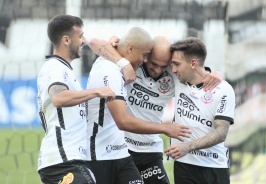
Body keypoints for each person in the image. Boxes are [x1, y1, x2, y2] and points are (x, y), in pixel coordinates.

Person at [87, 35, 222, 184]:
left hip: (151, 150)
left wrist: (216, 74)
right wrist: (124, 63)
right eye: (153, 63)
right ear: (146, 55)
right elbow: (94, 42)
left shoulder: (175, 74)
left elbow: (199, 73)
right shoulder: (133, 63)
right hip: (122, 148)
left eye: (164, 66)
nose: (157, 70)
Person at [36, 14, 117, 184]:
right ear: (66, 40)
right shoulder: (55, 67)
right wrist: (97, 92)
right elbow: (58, 98)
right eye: (80, 36)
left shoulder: (64, 70)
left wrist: (113, 49)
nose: (84, 40)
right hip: (63, 160)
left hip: (67, 159)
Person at [164, 37, 236, 184]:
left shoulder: (223, 89)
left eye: (177, 64)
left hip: (214, 167)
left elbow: (222, 133)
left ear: (193, 63)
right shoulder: (178, 81)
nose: (173, 70)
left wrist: (188, 147)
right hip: (184, 166)